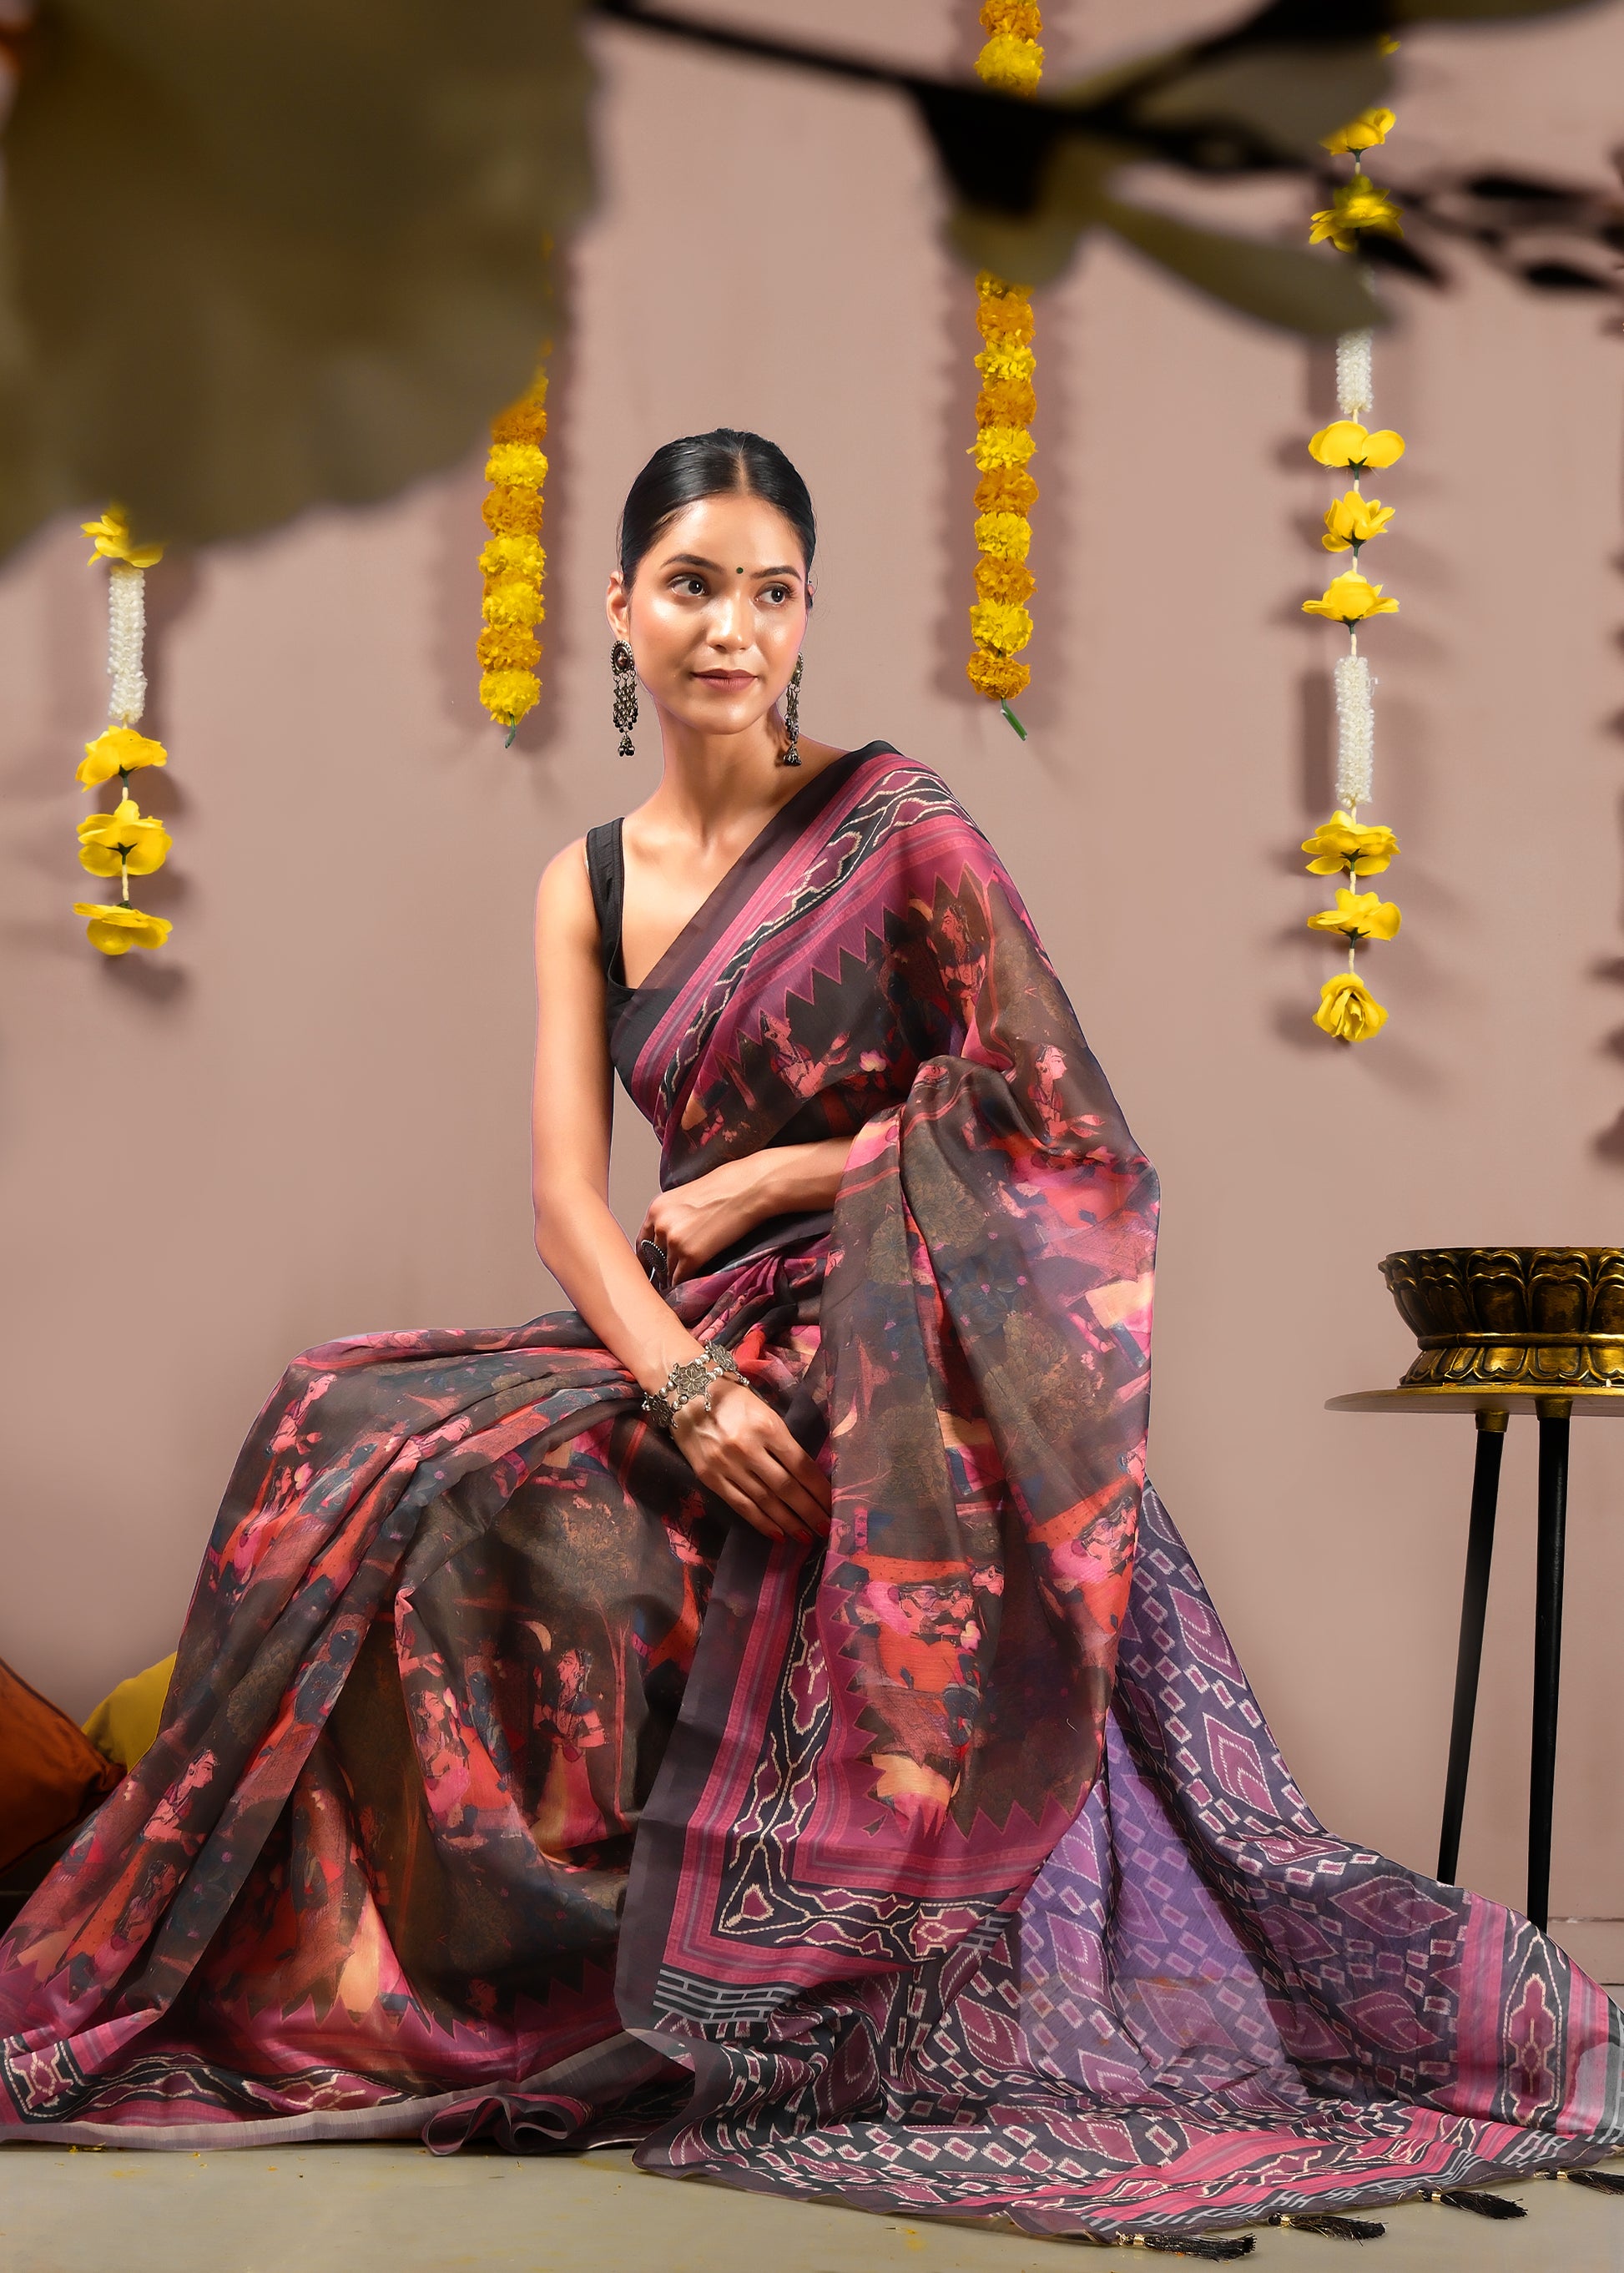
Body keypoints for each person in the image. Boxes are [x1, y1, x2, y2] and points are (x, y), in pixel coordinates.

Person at [1, 431, 1618, 2250]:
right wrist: (679, 1381)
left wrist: (778, 1171)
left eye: (773, 593)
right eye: (694, 585)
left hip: (898, 1338)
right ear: (619, 609)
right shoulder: (586, 882)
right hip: (684, 1329)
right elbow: (566, 1199)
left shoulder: (899, 822)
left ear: (803, 622)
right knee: (350, 1419)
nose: (733, 628)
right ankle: (374, 1988)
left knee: (567, 1503)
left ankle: (684, 1980)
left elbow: (1047, 1122)